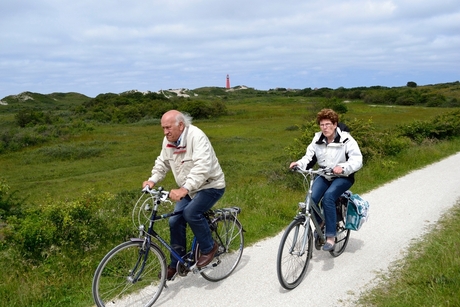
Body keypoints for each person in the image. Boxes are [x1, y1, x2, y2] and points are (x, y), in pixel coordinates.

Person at [143, 110, 226, 279]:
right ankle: (177, 264)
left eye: (168, 127)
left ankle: (209, 247)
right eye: (163, 128)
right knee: (174, 220)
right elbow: (162, 162)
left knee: (190, 213)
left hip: (210, 186)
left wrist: (184, 189)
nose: (165, 132)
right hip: (189, 188)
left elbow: (202, 168)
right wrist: (152, 180)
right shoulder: (169, 141)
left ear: (180, 125)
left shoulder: (196, 137)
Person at [289, 109, 363, 251]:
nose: (325, 128)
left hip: (343, 177)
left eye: (328, 124)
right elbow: (309, 158)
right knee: (309, 201)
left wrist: (343, 167)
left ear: (335, 124)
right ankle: (321, 223)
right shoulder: (317, 140)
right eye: (322, 125)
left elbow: (357, 160)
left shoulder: (346, 139)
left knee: (328, 197)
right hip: (324, 175)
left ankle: (330, 236)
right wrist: (299, 164)